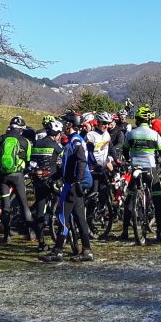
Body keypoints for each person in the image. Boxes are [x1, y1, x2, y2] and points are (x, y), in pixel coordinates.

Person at [39, 113, 93, 263]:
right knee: (80, 218)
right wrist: (55, 177)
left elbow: (82, 161)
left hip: (73, 184)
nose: (63, 126)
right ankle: (87, 251)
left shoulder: (75, 141)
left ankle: (58, 251)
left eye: (65, 123)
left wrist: (77, 181)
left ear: (70, 125)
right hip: (75, 182)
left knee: (62, 216)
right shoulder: (75, 140)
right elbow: (68, 165)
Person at [119, 105, 161, 243]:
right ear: (149, 120)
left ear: (137, 120)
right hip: (150, 170)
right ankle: (159, 233)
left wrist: (131, 158)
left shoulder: (130, 134)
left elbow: (125, 151)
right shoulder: (154, 134)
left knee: (130, 200)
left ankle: (125, 232)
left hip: (135, 170)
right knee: (158, 199)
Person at [0, 116, 33, 244]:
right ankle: (31, 233)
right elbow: (28, 161)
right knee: (24, 205)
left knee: (5, 205)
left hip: (2, 176)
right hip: (17, 175)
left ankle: (6, 236)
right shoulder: (25, 142)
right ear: (21, 129)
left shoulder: (0, 139)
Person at [29, 118, 63, 252]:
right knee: (61, 205)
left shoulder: (36, 143)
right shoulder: (55, 145)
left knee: (40, 210)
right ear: (57, 134)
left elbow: (31, 160)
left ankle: (41, 243)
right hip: (51, 181)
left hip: (38, 180)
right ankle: (61, 236)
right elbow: (65, 157)